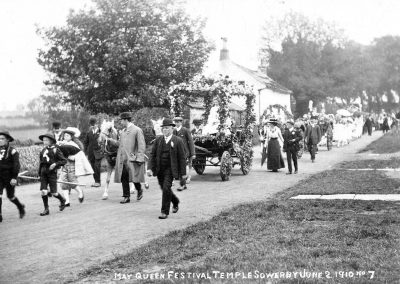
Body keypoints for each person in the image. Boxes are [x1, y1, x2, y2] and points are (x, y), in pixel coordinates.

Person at [149, 118, 186, 219]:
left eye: (167, 128)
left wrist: (183, 173)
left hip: (170, 169)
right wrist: (149, 168)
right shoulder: (158, 140)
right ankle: (175, 201)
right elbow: (152, 155)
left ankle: (164, 211)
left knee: (166, 187)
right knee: (164, 188)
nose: (165, 130)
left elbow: (182, 158)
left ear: (172, 129)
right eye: (163, 128)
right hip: (159, 168)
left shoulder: (178, 141)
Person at [108, 112, 145, 204]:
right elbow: (120, 144)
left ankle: (139, 189)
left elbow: (141, 145)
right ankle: (126, 196)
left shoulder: (137, 130)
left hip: (133, 157)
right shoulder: (123, 131)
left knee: (134, 176)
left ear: (126, 120)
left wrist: (139, 158)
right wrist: (110, 140)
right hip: (123, 158)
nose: (121, 122)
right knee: (124, 175)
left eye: (121, 120)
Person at [59, 127, 93, 206]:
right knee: (63, 183)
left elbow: (78, 155)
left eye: (67, 135)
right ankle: (67, 201)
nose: (65, 137)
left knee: (72, 182)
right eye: (65, 135)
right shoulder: (61, 144)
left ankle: (80, 192)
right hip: (63, 166)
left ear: (71, 137)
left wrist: (71, 157)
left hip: (72, 166)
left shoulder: (74, 145)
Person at [38, 132, 67, 216]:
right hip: (43, 172)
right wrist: (39, 174)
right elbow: (41, 163)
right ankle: (46, 209)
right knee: (43, 191)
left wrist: (55, 164)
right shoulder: (43, 150)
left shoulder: (55, 150)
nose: (44, 142)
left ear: (51, 141)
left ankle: (62, 200)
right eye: (43, 140)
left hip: (52, 173)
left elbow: (64, 161)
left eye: (46, 140)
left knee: (54, 193)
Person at [0, 131, 25, 222]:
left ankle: (20, 207)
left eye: (2, 139)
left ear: (8, 140)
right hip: (0, 177)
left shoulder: (13, 151)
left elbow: (16, 165)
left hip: (9, 177)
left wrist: (14, 177)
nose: (0, 140)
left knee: (10, 196)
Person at [173, 117, 195, 190]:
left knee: (184, 167)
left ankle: (185, 181)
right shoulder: (174, 130)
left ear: (181, 122)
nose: (177, 123)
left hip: (184, 152)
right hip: (176, 152)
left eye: (178, 122)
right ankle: (182, 182)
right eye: (175, 122)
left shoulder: (185, 130)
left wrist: (192, 153)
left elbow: (191, 142)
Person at [84, 117, 103, 187]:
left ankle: (98, 182)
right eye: (91, 124)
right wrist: (85, 152)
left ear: (97, 124)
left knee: (97, 166)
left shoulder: (101, 131)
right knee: (92, 167)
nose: (93, 126)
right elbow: (86, 142)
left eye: (94, 124)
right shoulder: (89, 132)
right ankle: (96, 181)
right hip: (91, 153)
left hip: (99, 152)